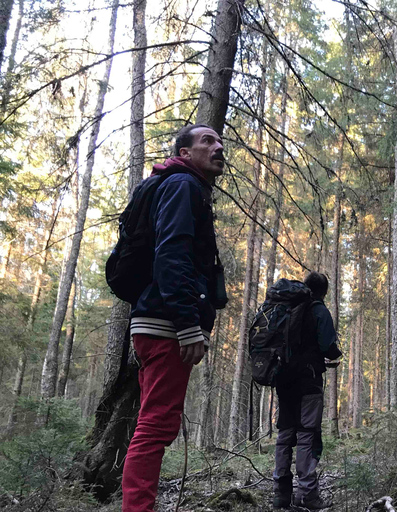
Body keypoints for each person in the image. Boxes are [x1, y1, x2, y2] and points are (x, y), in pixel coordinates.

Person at [121, 124, 227, 511]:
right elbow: (172, 256)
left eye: (220, 141)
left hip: (154, 320)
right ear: (184, 153)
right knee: (156, 425)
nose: (218, 147)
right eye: (207, 142)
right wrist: (187, 325)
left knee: (154, 423)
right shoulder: (183, 186)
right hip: (165, 324)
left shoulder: (177, 185)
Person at [273, 271, 342, 510]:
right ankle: (307, 495)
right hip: (309, 381)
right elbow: (327, 346)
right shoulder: (319, 311)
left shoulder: (287, 309)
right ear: (324, 292)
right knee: (306, 435)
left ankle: (280, 494)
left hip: (284, 380)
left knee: (284, 434)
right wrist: (334, 354)